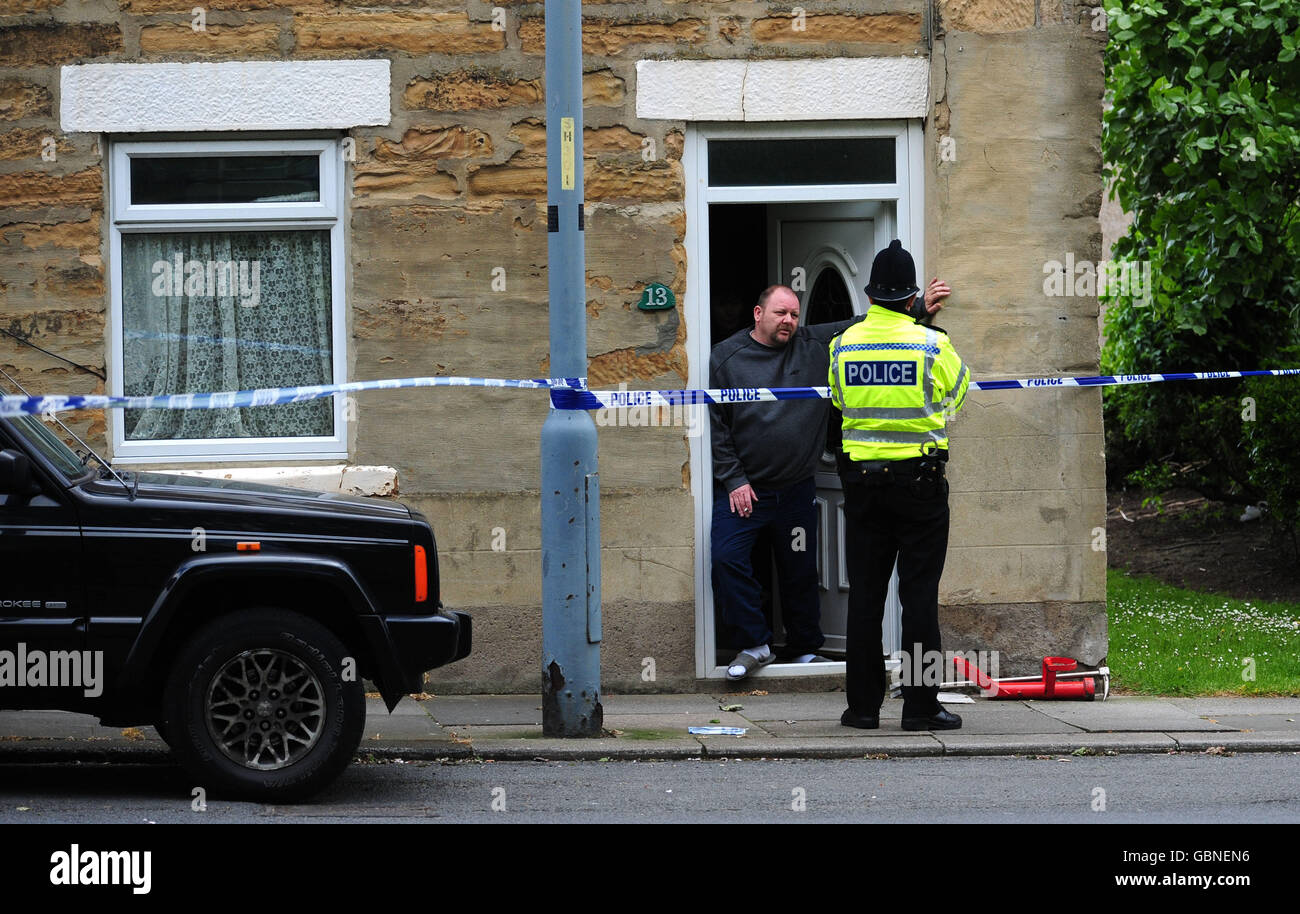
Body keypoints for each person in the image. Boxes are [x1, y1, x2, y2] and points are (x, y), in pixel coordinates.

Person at [710, 279, 948, 681]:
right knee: (727, 559)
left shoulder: (815, 344)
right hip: (746, 487)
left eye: (793, 314)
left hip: (797, 486)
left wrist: (917, 307)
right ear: (758, 313)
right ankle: (754, 643)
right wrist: (734, 480)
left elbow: (864, 325)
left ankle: (804, 647)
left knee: (800, 569)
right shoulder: (727, 358)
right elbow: (716, 426)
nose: (788, 321)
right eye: (779, 313)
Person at [830, 240, 970, 730]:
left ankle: (863, 708)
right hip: (920, 487)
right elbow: (954, 398)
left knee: (865, 598)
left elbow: (842, 403)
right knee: (919, 598)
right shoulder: (933, 344)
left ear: (871, 295)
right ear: (912, 297)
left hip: (862, 487)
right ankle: (920, 706)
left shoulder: (842, 343)